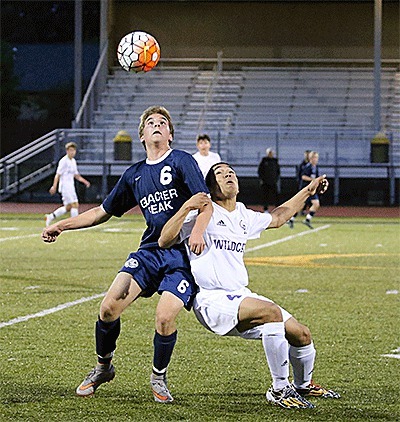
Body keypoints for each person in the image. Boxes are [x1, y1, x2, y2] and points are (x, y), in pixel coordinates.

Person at [42, 106, 212, 402]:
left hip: (181, 257)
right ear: (142, 135)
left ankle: (158, 377)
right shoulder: (134, 174)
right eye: (151, 123)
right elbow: (100, 212)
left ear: (170, 134)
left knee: (164, 317)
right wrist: (63, 225)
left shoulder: (183, 161)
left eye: (162, 123)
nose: (157, 125)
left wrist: (197, 232)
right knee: (108, 309)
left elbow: (204, 202)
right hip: (149, 252)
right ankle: (103, 367)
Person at [159, 162, 340, 409]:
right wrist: (187, 207)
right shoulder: (203, 213)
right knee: (271, 313)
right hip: (212, 299)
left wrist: (308, 191)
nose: (228, 175)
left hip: (240, 295)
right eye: (220, 174)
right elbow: (165, 239)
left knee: (301, 334)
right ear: (211, 186)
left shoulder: (244, 214)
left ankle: (303, 385)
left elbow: (278, 217)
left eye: (231, 172)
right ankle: (279, 389)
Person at [45, 142, 91, 227]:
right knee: (75, 204)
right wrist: (54, 186)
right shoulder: (63, 161)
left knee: (68, 207)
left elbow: (76, 175)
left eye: (73, 150)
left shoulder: (73, 161)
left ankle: (51, 216)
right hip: (65, 187)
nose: (72, 152)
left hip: (71, 186)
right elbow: (57, 174)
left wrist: (85, 181)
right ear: (67, 151)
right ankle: (76, 224)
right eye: (70, 150)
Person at [287, 149, 310, 229]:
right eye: (306, 154)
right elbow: (301, 176)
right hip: (305, 187)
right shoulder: (303, 165)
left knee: (313, 203)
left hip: (310, 188)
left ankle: (306, 218)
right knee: (301, 204)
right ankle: (292, 218)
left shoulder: (312, 165)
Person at [300, 151, 321, 229]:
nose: (316, 159)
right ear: (311, 158)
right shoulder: (307, 167)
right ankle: (290, 219)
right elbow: (303, 177)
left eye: (317, 158)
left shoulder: (316, 167)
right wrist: (313, 180)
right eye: (315, 158)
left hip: (312, 189)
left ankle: (307, 219)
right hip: (306, 189)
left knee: (316, 204)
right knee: (299, 206)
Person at [257, 148, 280, 213]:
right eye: (269, 152)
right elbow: (260, 171)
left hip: (273, 182)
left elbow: (278, 171)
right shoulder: (264, 160)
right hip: (265, 182)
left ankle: (277, 208)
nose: (270, 154)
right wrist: (262, 179)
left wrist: (275, 179)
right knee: (265, 196)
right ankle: (266, 209)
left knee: (275, 195)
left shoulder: (275, 161)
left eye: (271, 152)